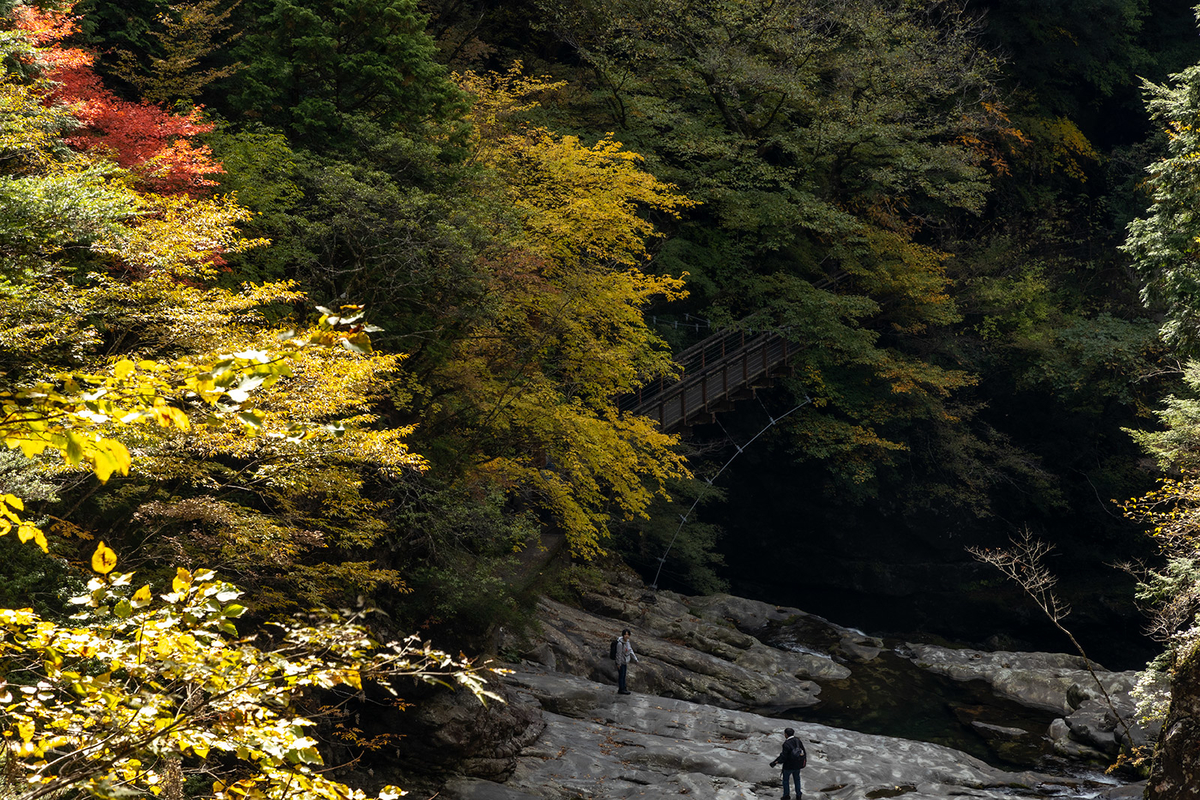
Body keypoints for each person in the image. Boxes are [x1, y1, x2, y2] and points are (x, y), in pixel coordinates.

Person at [769, 727, 806, 800]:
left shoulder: (786, 743)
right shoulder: (798, 740)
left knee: (785, 781)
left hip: (788, 766)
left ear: (786, 734)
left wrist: (777, 761)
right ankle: (798, 795)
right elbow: (803, 751)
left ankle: (786, 796)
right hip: (798, 765)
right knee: (797, 780)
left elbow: (784, 756)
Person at [615, 628, 638, 694]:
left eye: (628, 634)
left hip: (625, 661)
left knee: (624, 675)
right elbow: (618, 654)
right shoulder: (620, 644)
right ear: (623, 635)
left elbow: (630, 650)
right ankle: (621, 689)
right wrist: (618, 663)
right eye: (625, 634)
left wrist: (635, 659)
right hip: (621, 661)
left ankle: (624, 688)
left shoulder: (627, 642)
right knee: (621, 676)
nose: (626, 636)